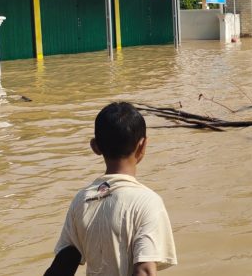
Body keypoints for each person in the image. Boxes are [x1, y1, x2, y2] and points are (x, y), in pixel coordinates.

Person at [46, 102, 176, 276]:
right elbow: (144, 271)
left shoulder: (81, 200)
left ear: (95, 147)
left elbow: (63, 266)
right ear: (143, 145)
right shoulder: (148, 202)